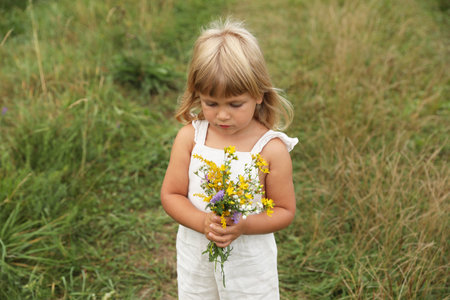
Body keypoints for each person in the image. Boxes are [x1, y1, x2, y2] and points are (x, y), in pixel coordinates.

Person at [160, 19, 298, 300]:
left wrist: (244, 226)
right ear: (198, 95)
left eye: (235, 104)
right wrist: (202, 222)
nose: (222, 115)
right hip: (197, 253)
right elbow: (171, 194)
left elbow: (284, 209)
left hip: (250, 262)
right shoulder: (190, 138)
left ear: (259, 94)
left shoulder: (270, 149)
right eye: (211, 103)